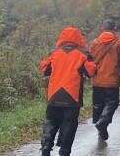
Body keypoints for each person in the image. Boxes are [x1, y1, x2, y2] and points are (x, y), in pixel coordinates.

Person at [39, 27, 96, 156]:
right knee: (69, 123)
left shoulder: (54, 53)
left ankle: (46, 146)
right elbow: (91, 72)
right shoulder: (83, 54)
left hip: (54, 95)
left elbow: (44, 70)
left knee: (51, 120)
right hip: (72, 95)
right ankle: (64, 150)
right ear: (79, 38)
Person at [88, 19, 120, 141]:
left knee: (98, 105)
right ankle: (103, 122)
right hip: (111, 81)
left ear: (103, 28)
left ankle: (101, 127)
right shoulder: (119, 44)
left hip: (97, 81)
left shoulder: (94, 43)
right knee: (112, 103)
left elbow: (89, 62)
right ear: (114, 29)